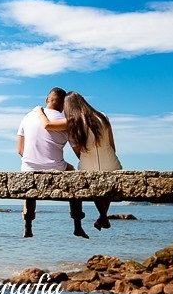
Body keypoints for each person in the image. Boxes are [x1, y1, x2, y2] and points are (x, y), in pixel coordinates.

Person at [35, 91, 122, 231]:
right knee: (106, 184)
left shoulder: (73, 122)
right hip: (111, 160)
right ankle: (103, 217)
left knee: (94, 184)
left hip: (88, 163)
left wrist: (39, 111)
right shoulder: (103, 116)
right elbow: (112, 145)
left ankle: (103, 217)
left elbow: (47, 125)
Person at [17, 87, 87, 238]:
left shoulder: (27, 117)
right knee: (73, 173)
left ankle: (28, 226)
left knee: (29, 185)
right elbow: (77, 149)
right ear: (64, 105)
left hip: (29, 167)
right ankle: (77, 225)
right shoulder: (64, 121)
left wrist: (35, 160)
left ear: (47, 100)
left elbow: (20, 150)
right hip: (56, 168)